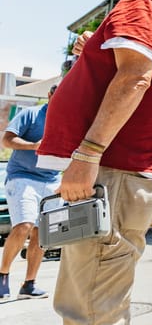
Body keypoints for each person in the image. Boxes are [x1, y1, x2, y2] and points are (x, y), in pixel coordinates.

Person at [36, 0, 152, 325]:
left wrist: (87, 154)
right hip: (121, 172)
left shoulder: (142, 1)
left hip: (114, 171)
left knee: (90, 309)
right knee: (94, 300)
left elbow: (135, 76)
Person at [0, 86, 61, 300]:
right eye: (60, 94)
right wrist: (34, 145)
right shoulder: (32, 114)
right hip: (22, 176)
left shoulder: (70, 120)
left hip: (52, 181)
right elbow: (6, 140)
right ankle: (2, 276)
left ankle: (29, 284)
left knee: (41, 234)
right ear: (50, 95)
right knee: (23, 225)